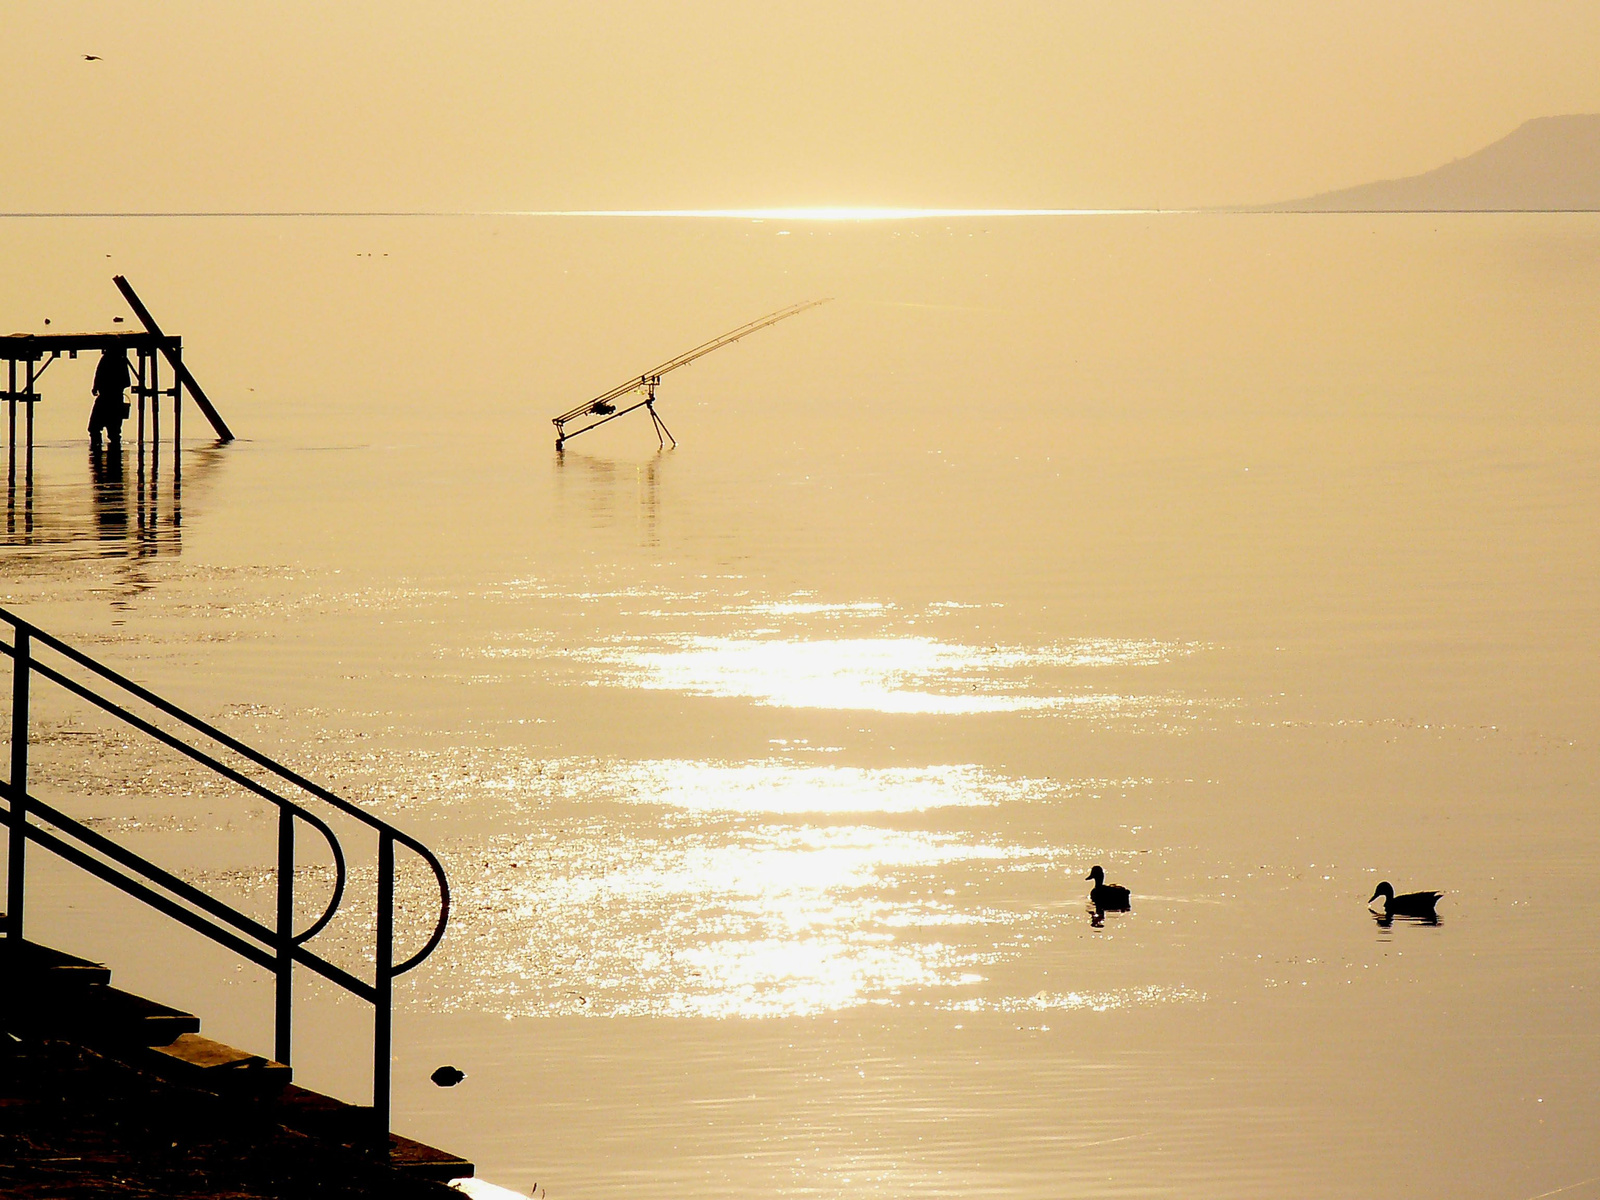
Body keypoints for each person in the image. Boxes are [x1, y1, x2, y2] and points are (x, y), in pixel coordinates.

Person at [89, 349, 130, 450]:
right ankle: (114, 455)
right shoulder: (121, 360)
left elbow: (98, 375)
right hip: (116, 399)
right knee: (114, 432)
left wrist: (96, 387)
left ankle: (96, 453)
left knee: (94, 428)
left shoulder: (106, 359)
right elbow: (126, 382)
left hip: (105, 399)